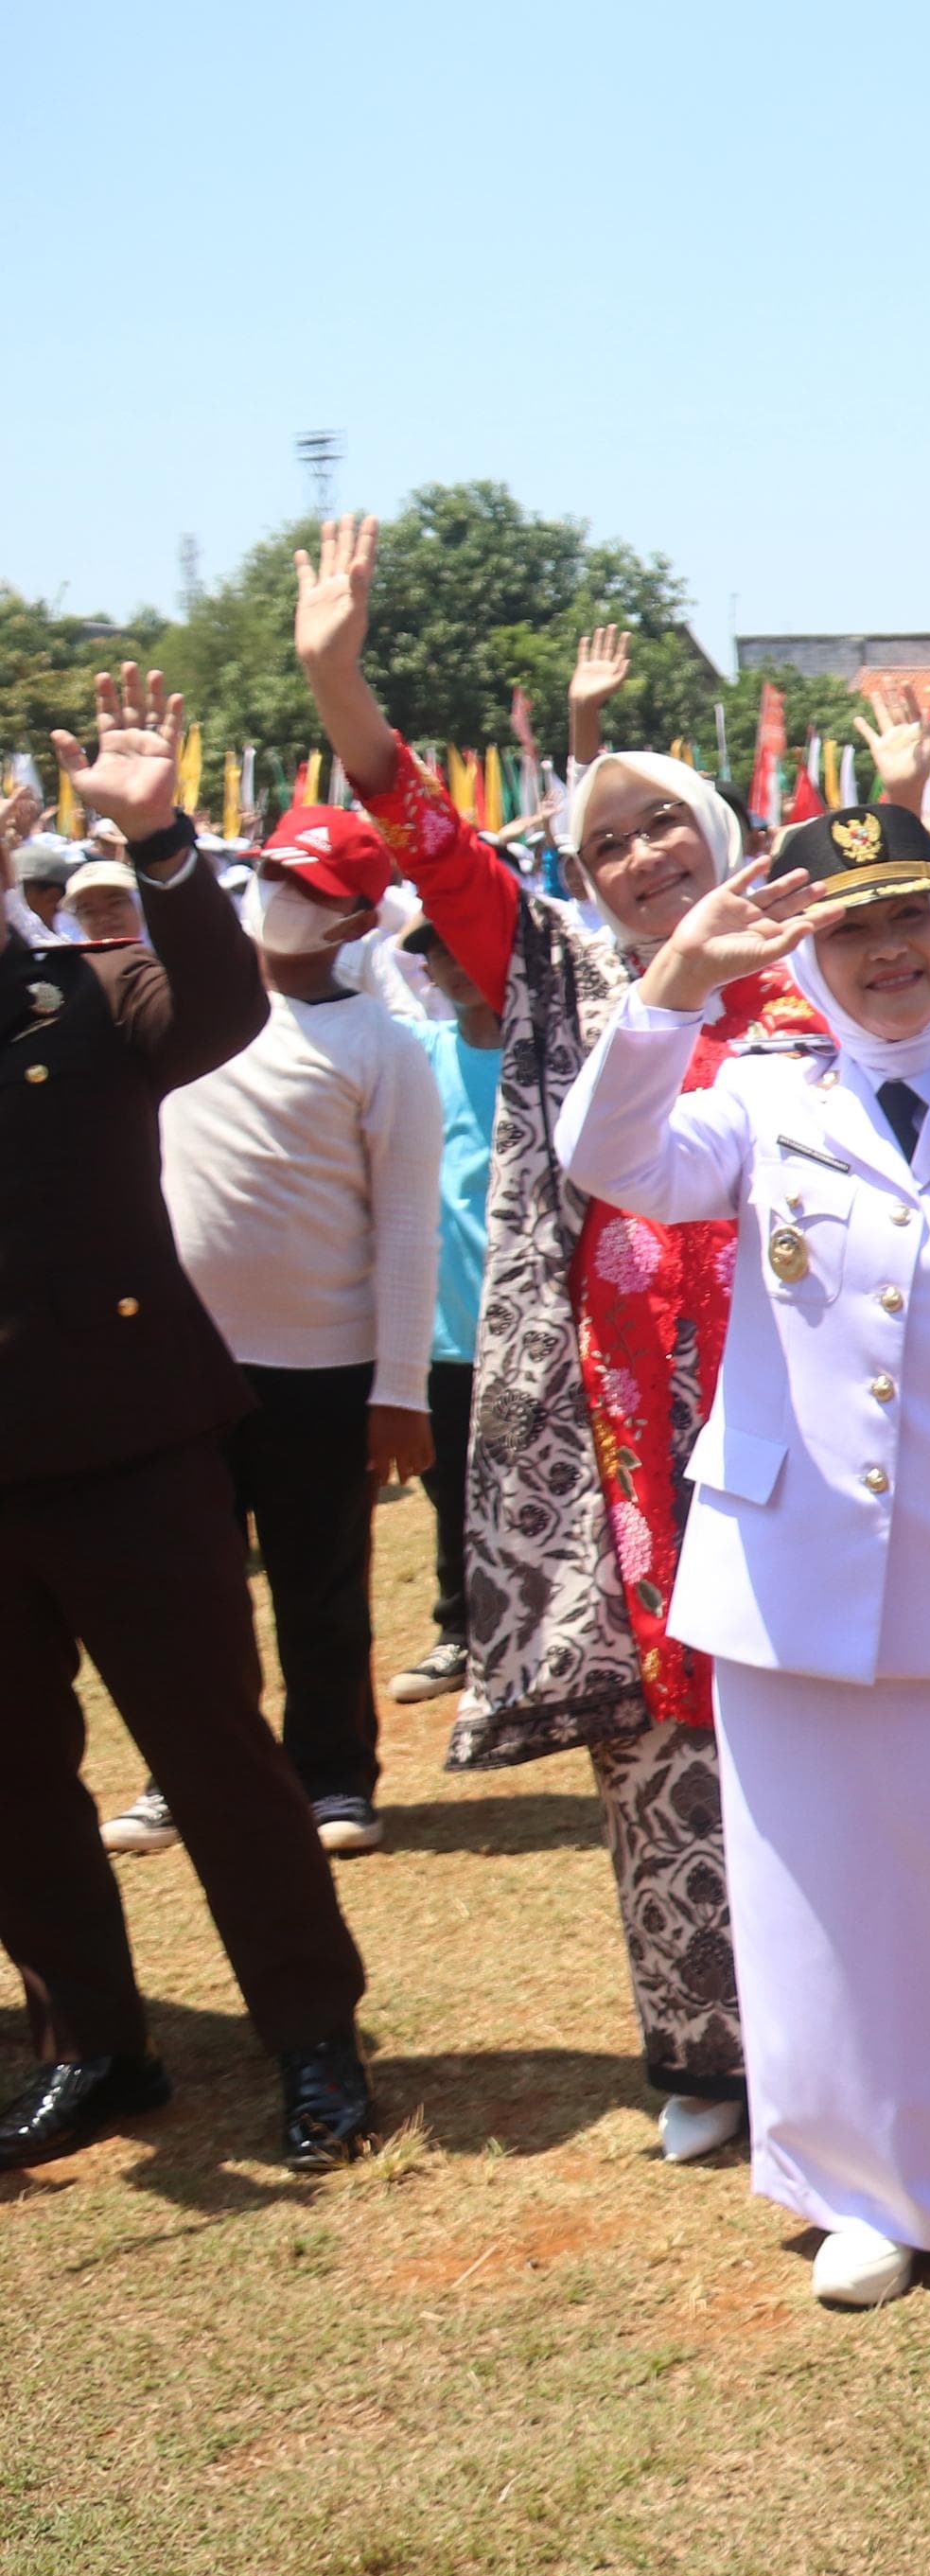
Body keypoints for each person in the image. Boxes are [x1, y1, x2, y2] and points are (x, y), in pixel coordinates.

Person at [555, 802, 930, 2308]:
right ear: (807, 952)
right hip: (792, 1576)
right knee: (817, 1898)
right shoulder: (759, 1108)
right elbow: (609, 1155)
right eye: (847, 929)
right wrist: (671, 985)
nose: (884, 954)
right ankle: (854, 2186)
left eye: (905, 921)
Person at [299, 521, 753, 2160]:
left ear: (718, 835)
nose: (640, 857)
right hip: (623, 1404)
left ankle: (840, 2027)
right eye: (610, 839)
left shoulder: (814, 973)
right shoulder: (562, 980)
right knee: (653, 1724)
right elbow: (430, 843)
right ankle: (703, 2051)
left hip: (795, 1397)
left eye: (664, 827)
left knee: (809, 1714)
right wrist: (337, 679)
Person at [0, 666, 376, 2174]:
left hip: (133, 1451)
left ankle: (312, 2041)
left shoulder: (79, 990)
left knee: (218, 1761)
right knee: (14, 1777)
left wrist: (162, 843)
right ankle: (96, 2043)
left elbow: (219, 1004)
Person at [142, 805, 439, 1854]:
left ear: (357, 918)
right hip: (179, 1364)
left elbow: (405, 1224)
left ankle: (331, 1778)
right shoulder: (173, 1005)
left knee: (319, 1586)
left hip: (322, 1369)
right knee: (189, 1588)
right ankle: (184, 1774)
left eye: (313, 888)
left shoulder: (380, 1045)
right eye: (274, 872)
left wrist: (398, 1385)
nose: (284, 895)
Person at [385, 915, 506, 1711]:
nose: (449, 962)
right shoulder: (418, 1058)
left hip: (533, 1325)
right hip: (443, 1331)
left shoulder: (557, 1059)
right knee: (452, 1492)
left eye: (464, 941)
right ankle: (461, 1631)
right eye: (433, 950)